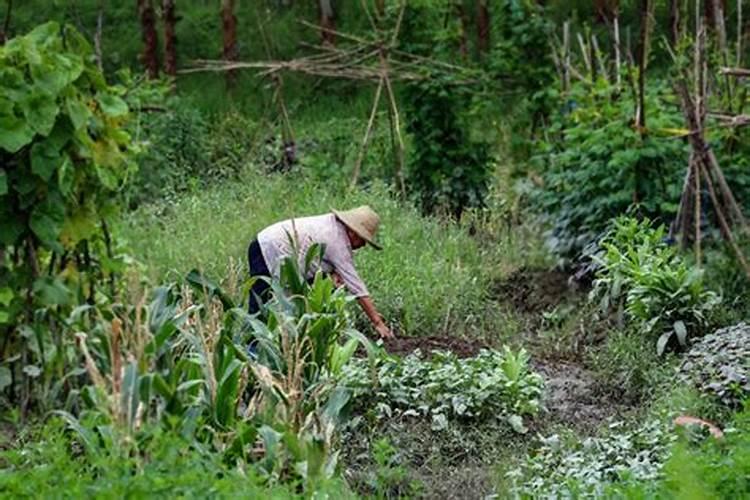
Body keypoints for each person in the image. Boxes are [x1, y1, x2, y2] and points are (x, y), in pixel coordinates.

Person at [247, 205, 394, 339]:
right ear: (354, 232)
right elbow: (357, 287)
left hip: (282, 254)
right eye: (363, 240)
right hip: (267, 249)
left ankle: (296, 339)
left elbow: (317, 259)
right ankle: (251, 350)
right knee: (261, 304)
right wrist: (377, 322)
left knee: (312, 292)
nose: (363, 246)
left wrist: (332, 274)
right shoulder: (336, 240)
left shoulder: (333, 226)